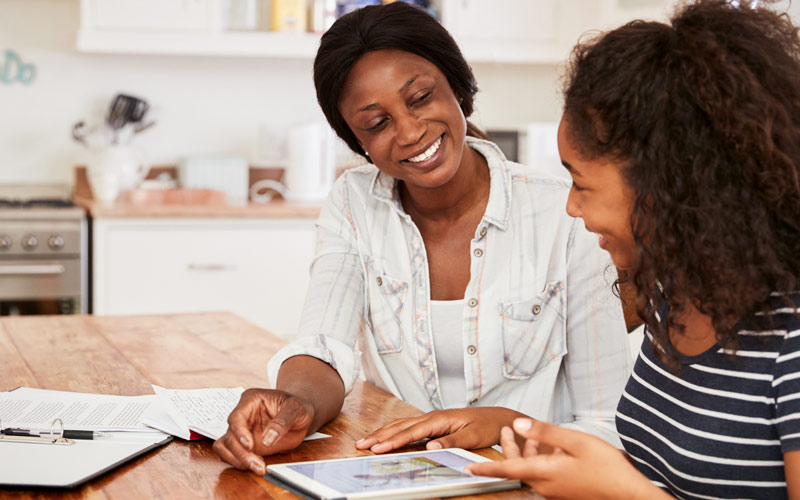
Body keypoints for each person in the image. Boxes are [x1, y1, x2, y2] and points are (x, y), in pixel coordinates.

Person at [213, 2, 631, 475]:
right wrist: (296, 404)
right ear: (358, 142)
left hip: (533, 483)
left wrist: (508, 427)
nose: (410, 132)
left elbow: (606, 425)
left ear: (456, 85)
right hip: (398, 479)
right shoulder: (354, 203)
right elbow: (324, 344)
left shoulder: (563, 213)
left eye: (420, 98)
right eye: (377, 124)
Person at [466, 1, 800, 499]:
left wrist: (624, 491)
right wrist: (552, 450)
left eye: (581, 184)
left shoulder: (789, 338)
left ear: (668, 183)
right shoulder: (674, 292)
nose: (572, 209)